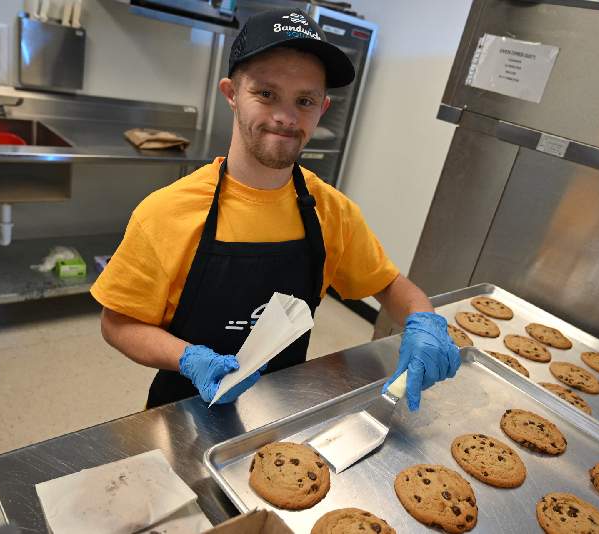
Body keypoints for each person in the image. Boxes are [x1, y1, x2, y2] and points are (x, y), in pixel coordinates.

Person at [91, 8, 460, 411]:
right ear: (232, 94)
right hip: (180, 411)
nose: (286, 118)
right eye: (266, 94)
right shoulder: (165, 213)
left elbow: (388, 285)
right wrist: (188, 359)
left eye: (305, 100)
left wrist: (424, 322)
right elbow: (118, 322)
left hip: (283, 410)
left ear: (323, 109)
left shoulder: (333, 211)